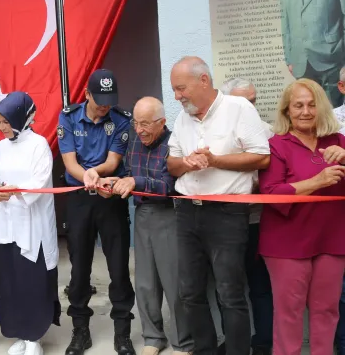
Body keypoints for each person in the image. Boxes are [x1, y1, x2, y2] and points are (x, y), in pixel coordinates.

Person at [166, 56, 270, 355]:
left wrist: (215, 161)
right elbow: (171, 165)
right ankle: (205, 350)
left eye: (181, 88)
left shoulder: (239, 109)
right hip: (187, 212)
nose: (177, 96)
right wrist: (185, 163)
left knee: (230, 294)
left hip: (227, 213)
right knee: (190, 292)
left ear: (204, 81)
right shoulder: (182, 117)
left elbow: (262, 157)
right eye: (174, 90)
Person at [259, 78, 345, 355]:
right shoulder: (276, 145)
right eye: (298, 105)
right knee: (289, 314)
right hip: (287, 244)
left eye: (312, 105)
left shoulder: (338, 142)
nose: (306, 111)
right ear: (287, 111)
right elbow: (272, 193)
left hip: (332, 240)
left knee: (327, 310)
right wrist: (317, 181)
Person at [103, 97, 193, 355]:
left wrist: (135, 181)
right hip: (142, 214)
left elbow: (170, 185)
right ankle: (152, 338)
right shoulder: (133, 141)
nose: (139, 129)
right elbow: (127, 174)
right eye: (135, 123)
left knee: (174, 282)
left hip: (169, 215)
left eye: (145, 124)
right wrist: (115, 184)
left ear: (162, 122)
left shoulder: (174, 143)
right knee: (145, 282)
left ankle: (183, 342)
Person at [58, 69, 136, 355]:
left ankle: (122, 332)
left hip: (110, 196)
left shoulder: (120, 120)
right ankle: (80, 331)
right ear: (87, 94)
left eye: (109, 99)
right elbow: (69, 162)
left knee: (118, 266)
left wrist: (96, 173)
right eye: (99, 98)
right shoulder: (67, 116)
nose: (105, 104)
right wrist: (87, 177)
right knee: (79, 268)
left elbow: (113, 161)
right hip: (80, 197)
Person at [0, 92, 61, 355]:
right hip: (6, 222)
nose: (1, 127)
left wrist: (16, 191)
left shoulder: (39, 145)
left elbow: (40, 182)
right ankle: (19, 332)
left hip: (32, 224)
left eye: (6, 121)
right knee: (10, 279)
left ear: (21, 117)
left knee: (32, 279)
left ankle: (35, 336)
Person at [220, 78, 274, 355]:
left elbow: (273, 180)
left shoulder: (267, 131)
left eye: (254, 101)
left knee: (260, 285)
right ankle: (233, 342)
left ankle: (263, 343)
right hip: (222, 221)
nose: (251, 107)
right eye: (244, 102)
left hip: (256, 222)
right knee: (227, 287)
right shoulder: (216, 132)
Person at [281, 0, 345, 107]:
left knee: (333, 112)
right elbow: (286, 24)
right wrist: (289, 58)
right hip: (301, 61)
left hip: (332, 57)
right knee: (309, 111)